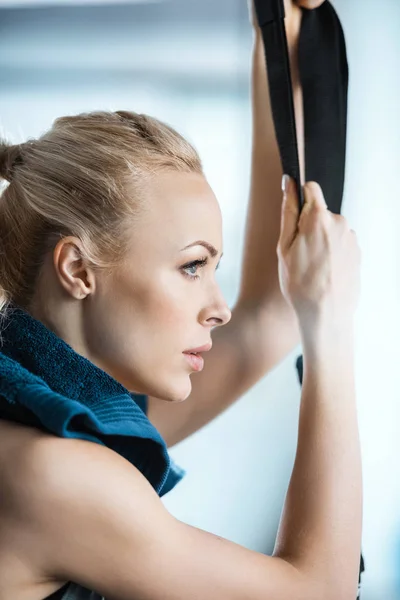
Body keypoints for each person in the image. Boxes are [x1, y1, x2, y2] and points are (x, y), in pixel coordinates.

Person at [0, 0, 362, 599]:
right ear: (77, 269)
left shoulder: (45, 414)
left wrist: (277, 32)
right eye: (192, 266)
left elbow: (268, 318)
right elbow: (320, 591)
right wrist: (334, 329)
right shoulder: (52, 475)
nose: (216, 307)